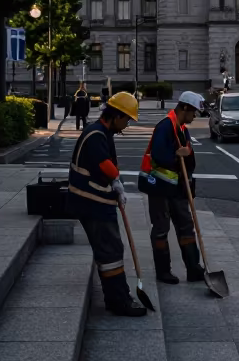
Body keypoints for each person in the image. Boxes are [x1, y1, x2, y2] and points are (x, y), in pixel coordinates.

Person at [66, 91, 146, 317]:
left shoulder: (101, 131)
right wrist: (116, 182)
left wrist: (116, 183)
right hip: (91, 201)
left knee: (110, 249)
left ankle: (116, 297)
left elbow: (107, 165)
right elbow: (104, 165)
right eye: (126, 119)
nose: (127, 125)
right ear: (116, 115)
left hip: (95, 199)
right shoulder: (96, 135)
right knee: (110, 250)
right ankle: (118, 301)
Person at [145, 91, 206, 284]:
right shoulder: (164, 127)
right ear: (185, 108)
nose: (194, 116)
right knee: (161, 228)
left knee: (186, 226)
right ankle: (163, 271)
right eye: (193, 111)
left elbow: (187, 156)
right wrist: (176, 153)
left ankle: (193, 268)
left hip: (178, 188)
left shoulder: (181, 128)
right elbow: (158, 156)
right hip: (160, 189)